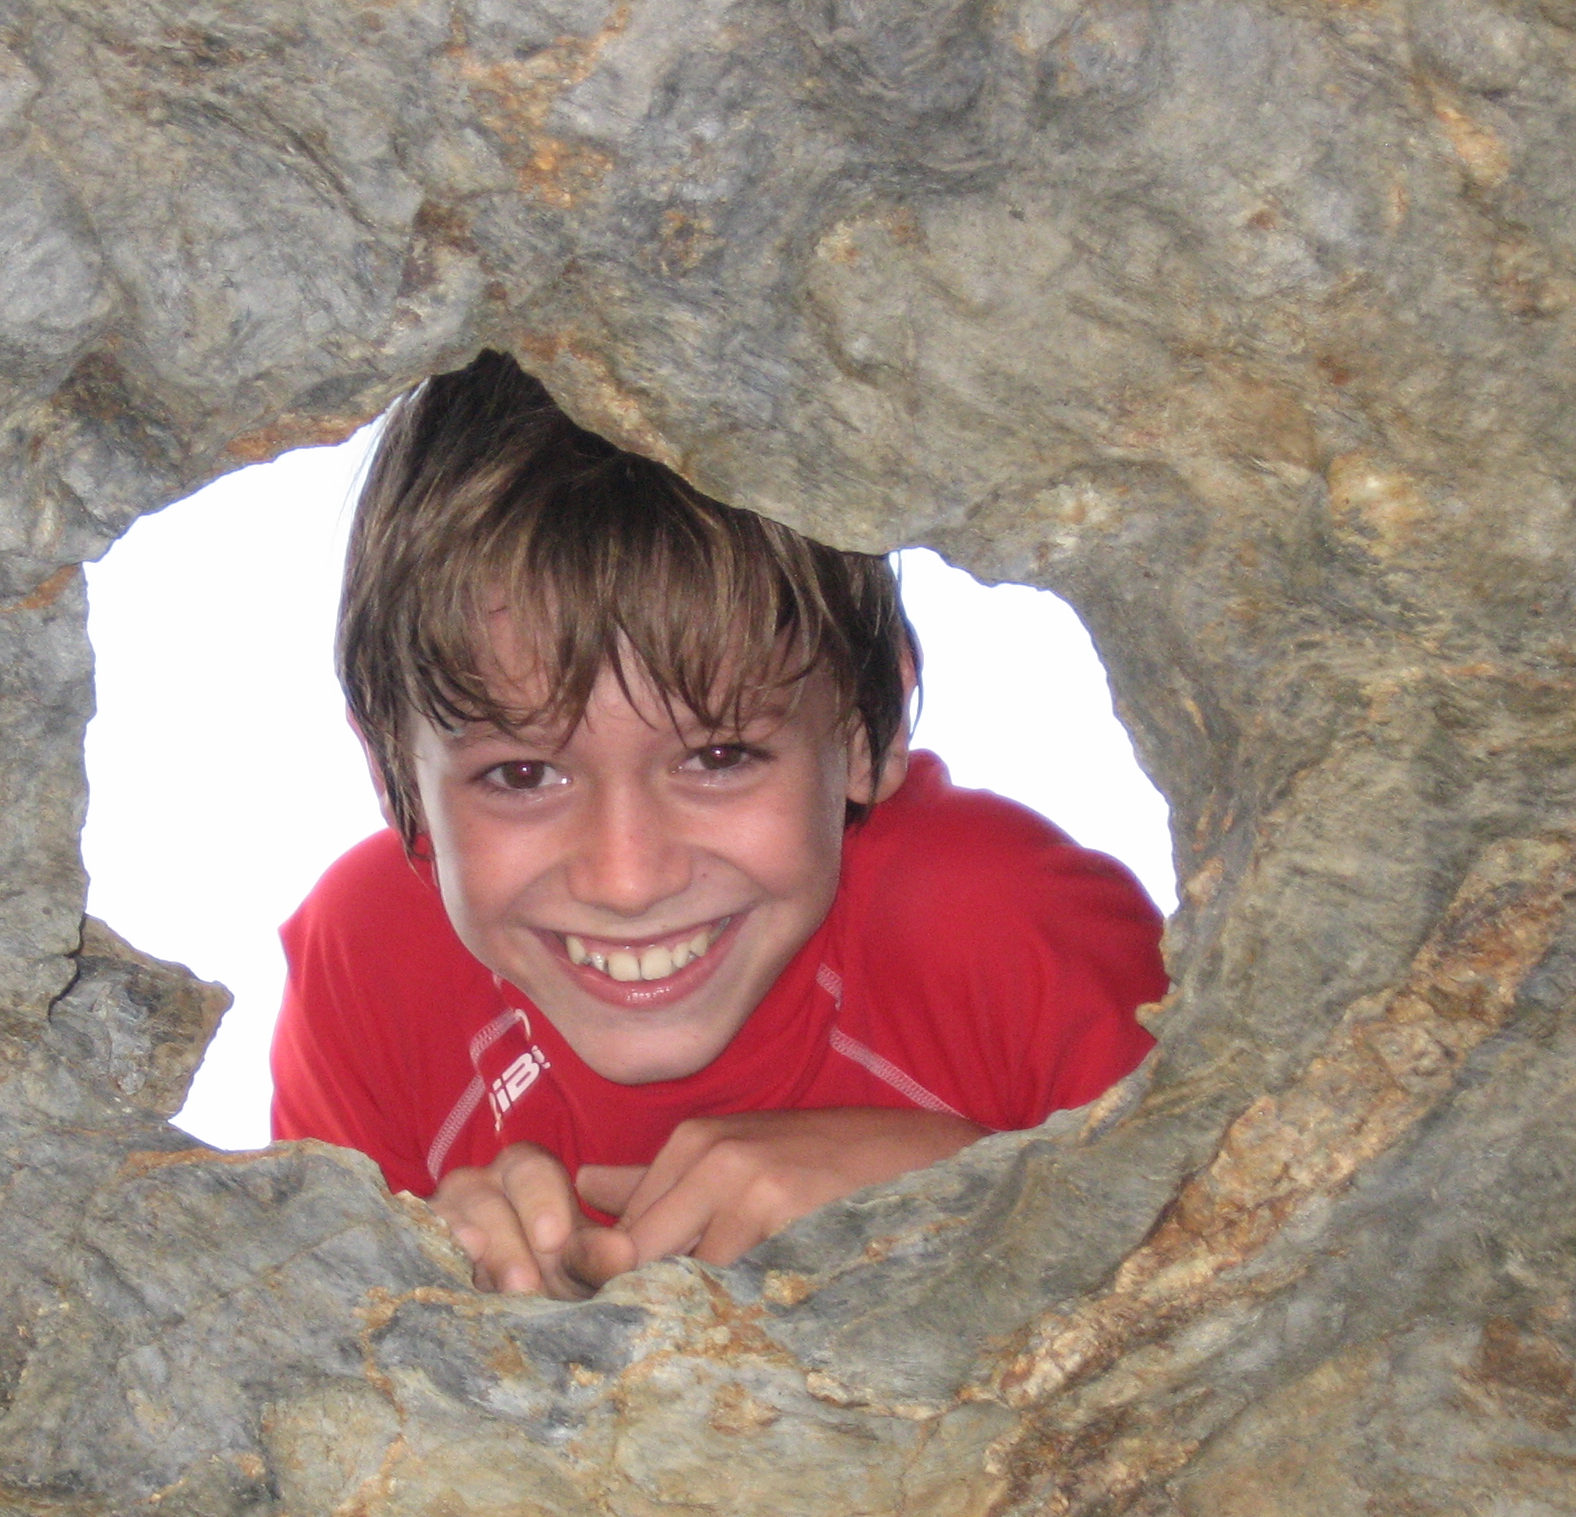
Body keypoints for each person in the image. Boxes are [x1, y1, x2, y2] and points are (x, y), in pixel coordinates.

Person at [270, 352, 1166, 1299]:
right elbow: (307, 1337)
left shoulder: (1015, 938)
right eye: (522, 775)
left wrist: (983, 1195)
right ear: (390, 768)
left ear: (869, 727)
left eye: (720, 756)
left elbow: (1247, 1279)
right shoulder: (373, 970)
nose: (627, 878)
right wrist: (443, 1299)